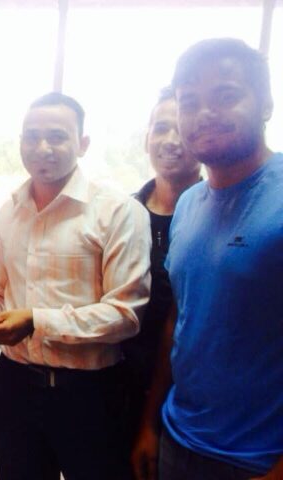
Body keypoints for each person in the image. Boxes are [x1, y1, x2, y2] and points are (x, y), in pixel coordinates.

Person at [0, 92, 151, 480]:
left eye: (57, 136)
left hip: (90, 394)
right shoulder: (10, 211)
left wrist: (35, 321)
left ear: (83, 143)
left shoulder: (118, 211)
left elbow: (125, 315)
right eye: (32, 136)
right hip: (16, 387)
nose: (43, 148)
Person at [131, 38, 283, 480]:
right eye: (190, 101)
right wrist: (150, 423)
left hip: (258, 459)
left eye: (226, 95)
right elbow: (180, 321)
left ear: (266, 104)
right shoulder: (190, 203)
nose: (205, 113)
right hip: (178, 439)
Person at [122, 87, 201, 457]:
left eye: (181, 130)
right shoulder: (120, 213)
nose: (171, 140)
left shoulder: (216, 212)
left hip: (184, 394)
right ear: (146, 139)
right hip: (115, 383)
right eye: (161, 128)